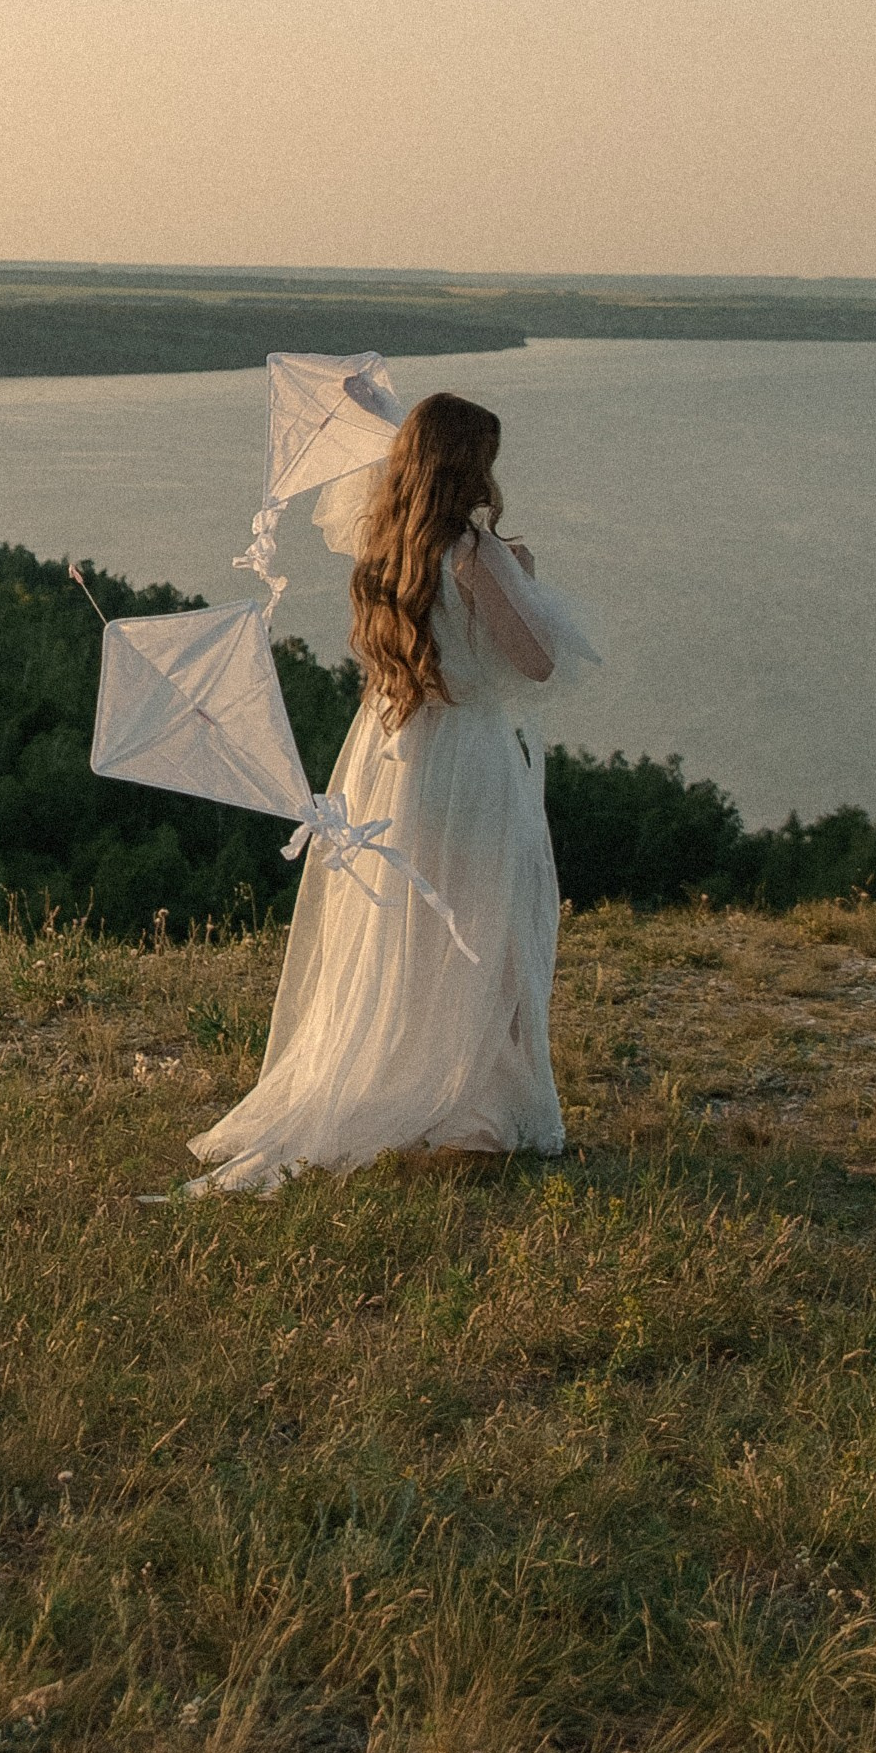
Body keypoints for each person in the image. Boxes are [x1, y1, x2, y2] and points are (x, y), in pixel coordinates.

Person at [187, 391, 596, 1192]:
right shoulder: (474, 555)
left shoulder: (383, 546)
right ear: (466, 467)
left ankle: (419, 1083)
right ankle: (478, 1107)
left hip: (389, 749)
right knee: (490, 926)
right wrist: (526, 577)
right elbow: (538, 662)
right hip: (465, 763)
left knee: (407, 932)